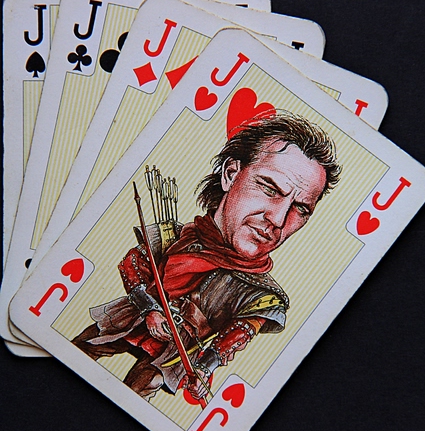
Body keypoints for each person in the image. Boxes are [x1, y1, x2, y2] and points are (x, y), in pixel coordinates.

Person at [73, 111, 341, 402]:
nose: (277, 219)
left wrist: (203, 368)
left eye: (300, 209)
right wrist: (150, 310)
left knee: (138, 390)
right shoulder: (172, 237)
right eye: (268, 188)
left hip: (176, 353)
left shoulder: (263, 296)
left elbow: (237, 335)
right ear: (231, 174)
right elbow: (134, 263)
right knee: (79, 349)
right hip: (134, 317)